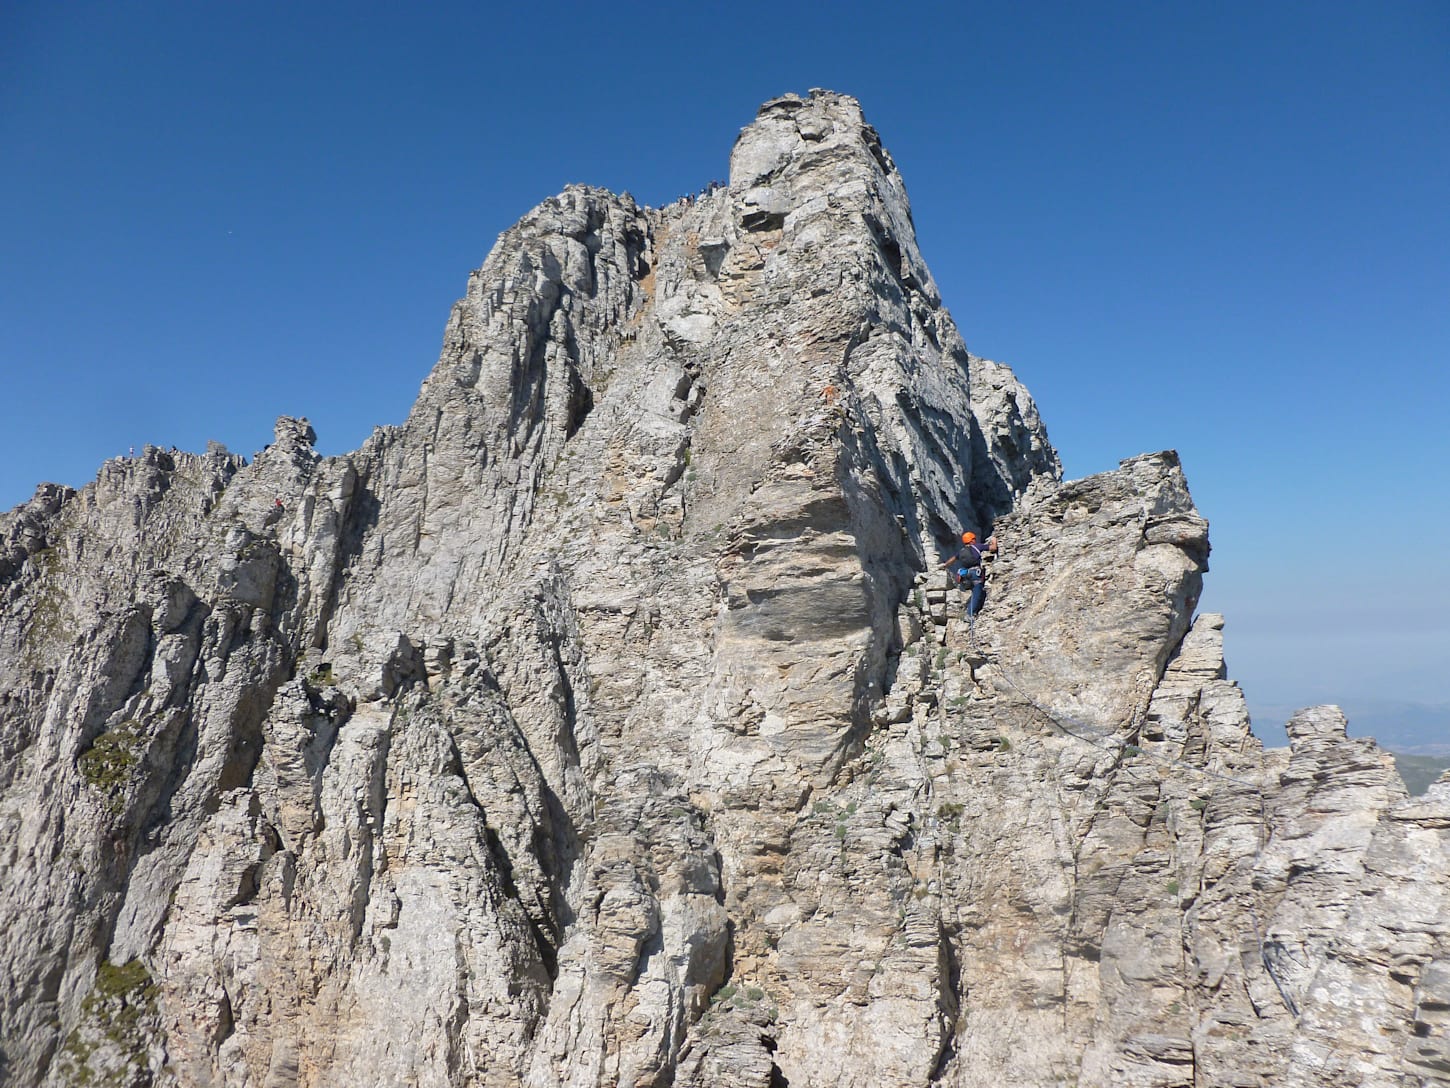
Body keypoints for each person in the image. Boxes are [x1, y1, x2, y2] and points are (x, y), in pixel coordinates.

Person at [941, 531, 998, 620]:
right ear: (971, 540)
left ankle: (974, 610)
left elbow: (952, 559)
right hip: (976, 573)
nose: (975, 541)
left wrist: (944, 565)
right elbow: (993, 548)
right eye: (974, 539)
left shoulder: (961, 551)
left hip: (966, 575)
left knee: (977, 592)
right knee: (977, 592)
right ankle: (970, 614)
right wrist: (994, 540)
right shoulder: (977, 547)